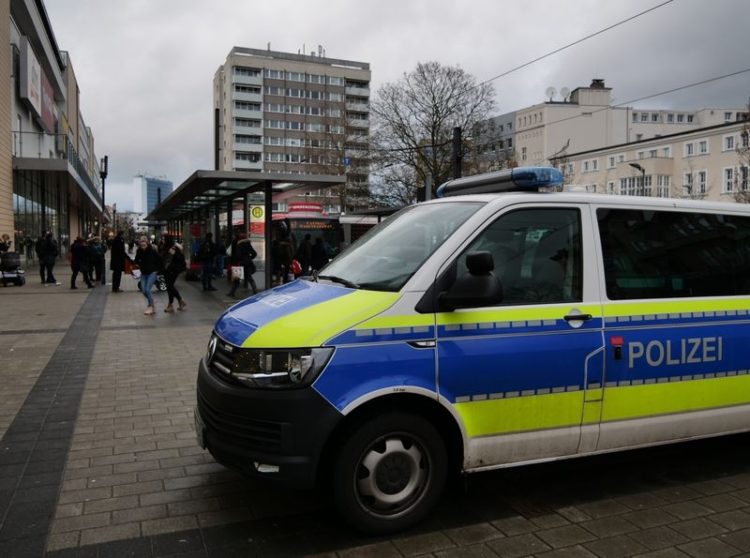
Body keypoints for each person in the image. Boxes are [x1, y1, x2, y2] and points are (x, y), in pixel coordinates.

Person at [134, 236, 162, 315]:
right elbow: (136, 260)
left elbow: (160, 260)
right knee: (143, 290)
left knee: (147, 289)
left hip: (152, 272)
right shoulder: (139, 251)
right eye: (141, 244)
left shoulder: (152, 251)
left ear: (147, 243)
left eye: (144, 244)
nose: (143, 246)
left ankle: (150, 306)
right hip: (143, 273)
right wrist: (137, 264)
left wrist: (158, 270)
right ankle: (152, 301)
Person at [228, 232, 258, 297]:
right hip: (247, 264)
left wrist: (237, 261)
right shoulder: (248, 244)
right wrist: (249, 258)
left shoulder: (238, 244)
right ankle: (255, 292)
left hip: (239, 264)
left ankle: (232, 293)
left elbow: (237, 255)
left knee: (236, 279)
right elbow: (254, 253)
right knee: (250, 278)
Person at [163, 242, 187, 312]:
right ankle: (179, 301)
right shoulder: (170, 251)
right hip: (168, 271)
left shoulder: (177, 253)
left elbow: (179, 262)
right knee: (170, 287)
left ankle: (172, 304)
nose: (171, 249)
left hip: (173, 271)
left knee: (170, 286)